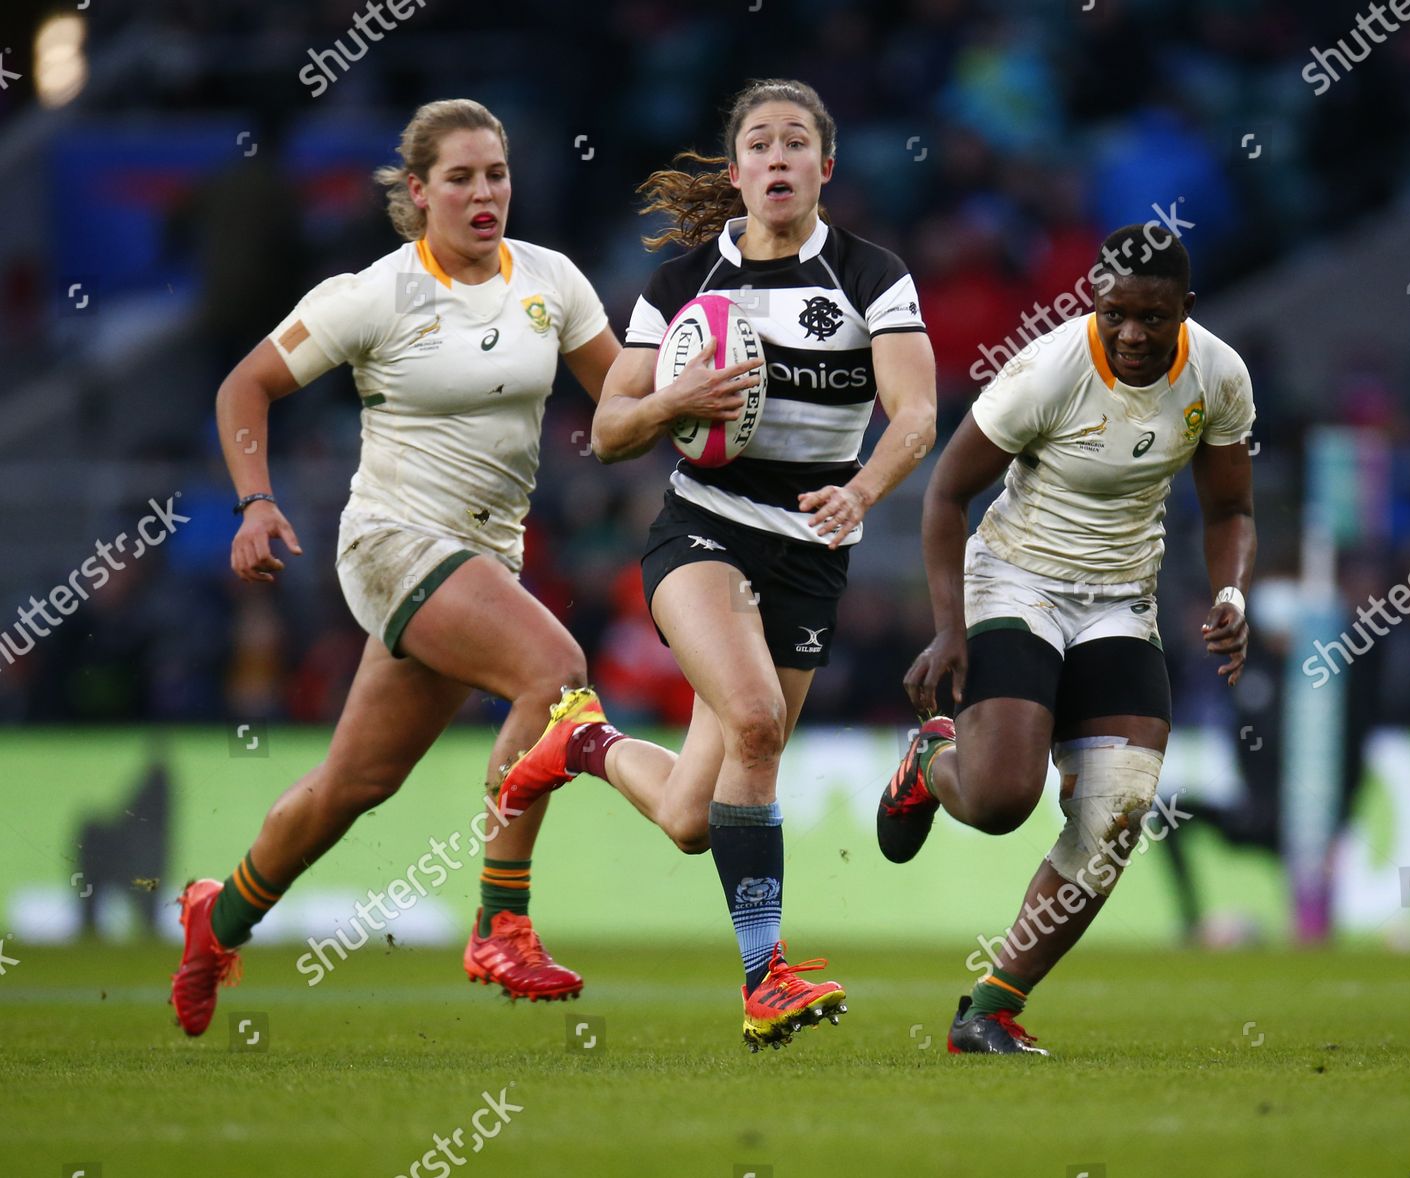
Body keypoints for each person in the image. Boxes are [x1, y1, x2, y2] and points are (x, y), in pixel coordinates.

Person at [493, 78, 937, 1050]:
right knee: (755, 720)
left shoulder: (872, 277)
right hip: (704, 531)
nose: (778, 159)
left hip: (814, 552)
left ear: (825, 166)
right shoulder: (680, 287)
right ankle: (764, 974)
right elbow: (608, 428)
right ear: (735, 172)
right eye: (760, 145)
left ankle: (583, 745)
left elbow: (916, 414)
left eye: (796, 144)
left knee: (695, 816)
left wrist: (862, 490)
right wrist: (673, 398)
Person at [170, 98, 622, 1036]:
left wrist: (693, 393)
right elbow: (243, 384)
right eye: (459, 177)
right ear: (418, 193)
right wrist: (256, 502)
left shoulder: (552, 280)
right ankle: (501, 920)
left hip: (481, 562)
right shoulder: (376, 292)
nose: (482, 192)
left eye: (495, 173)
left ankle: (217, 918)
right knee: (557, 672)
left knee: (352, 786)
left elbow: (619, 409)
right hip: (391, 546)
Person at [881, 224, 1255, 1054]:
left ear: (1184, 311)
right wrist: (948, 630)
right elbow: (945, 496)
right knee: (1000, 800)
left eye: (1153, 318)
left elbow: (1230, 510)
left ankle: (990, 1010)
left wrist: (1231, 589)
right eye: (1117, 312)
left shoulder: (1219, 374)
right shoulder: (1047, 370)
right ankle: (931, 763)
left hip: (1121, 597)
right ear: (1094, 298)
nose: (1131, 333)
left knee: (1116, 812)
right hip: (1016, 578)